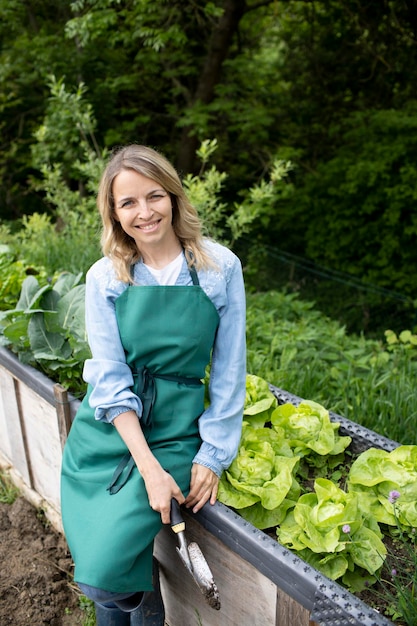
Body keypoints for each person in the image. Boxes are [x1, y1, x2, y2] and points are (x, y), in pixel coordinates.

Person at [60, 144, 246, 626]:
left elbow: (228, 371)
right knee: (103, 575)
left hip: (176, 429)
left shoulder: (218, 268)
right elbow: (111, 379)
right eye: (128, 203)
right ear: (114, 214)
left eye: (154, 196)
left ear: (174, 197)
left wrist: (214, 453)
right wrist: (149, 470)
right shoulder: (106, 278)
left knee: (112, 570)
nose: (144, 212)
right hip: (112, 433)